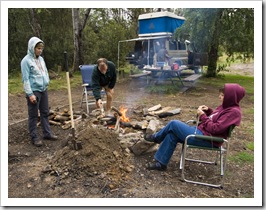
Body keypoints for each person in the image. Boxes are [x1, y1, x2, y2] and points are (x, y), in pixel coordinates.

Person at [144, 83, 246, 171]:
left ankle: (156, 138)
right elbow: (216, 118)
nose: (220, 97)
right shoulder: (226, 106)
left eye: (222, 95)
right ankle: (161, 164)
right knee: (172, 134)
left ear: (231, 97)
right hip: (201, 132)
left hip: (208, 139)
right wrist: (209, 111)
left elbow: (215, 128)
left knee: (174, 123)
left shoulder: (233, 112)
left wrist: (202, 116)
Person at [21, 37, 58, 147]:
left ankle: (47, 133)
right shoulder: (26, 61)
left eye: (41, 48)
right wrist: (30, 94)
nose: (40, 50)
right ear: (32, 48)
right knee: (33, 115)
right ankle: (34, 137)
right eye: (38, 48)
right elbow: (25, 79)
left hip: (43, 89)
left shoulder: (41, 59)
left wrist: (47, 82)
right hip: (34, 91)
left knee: (45, 112)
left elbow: (45, 72)